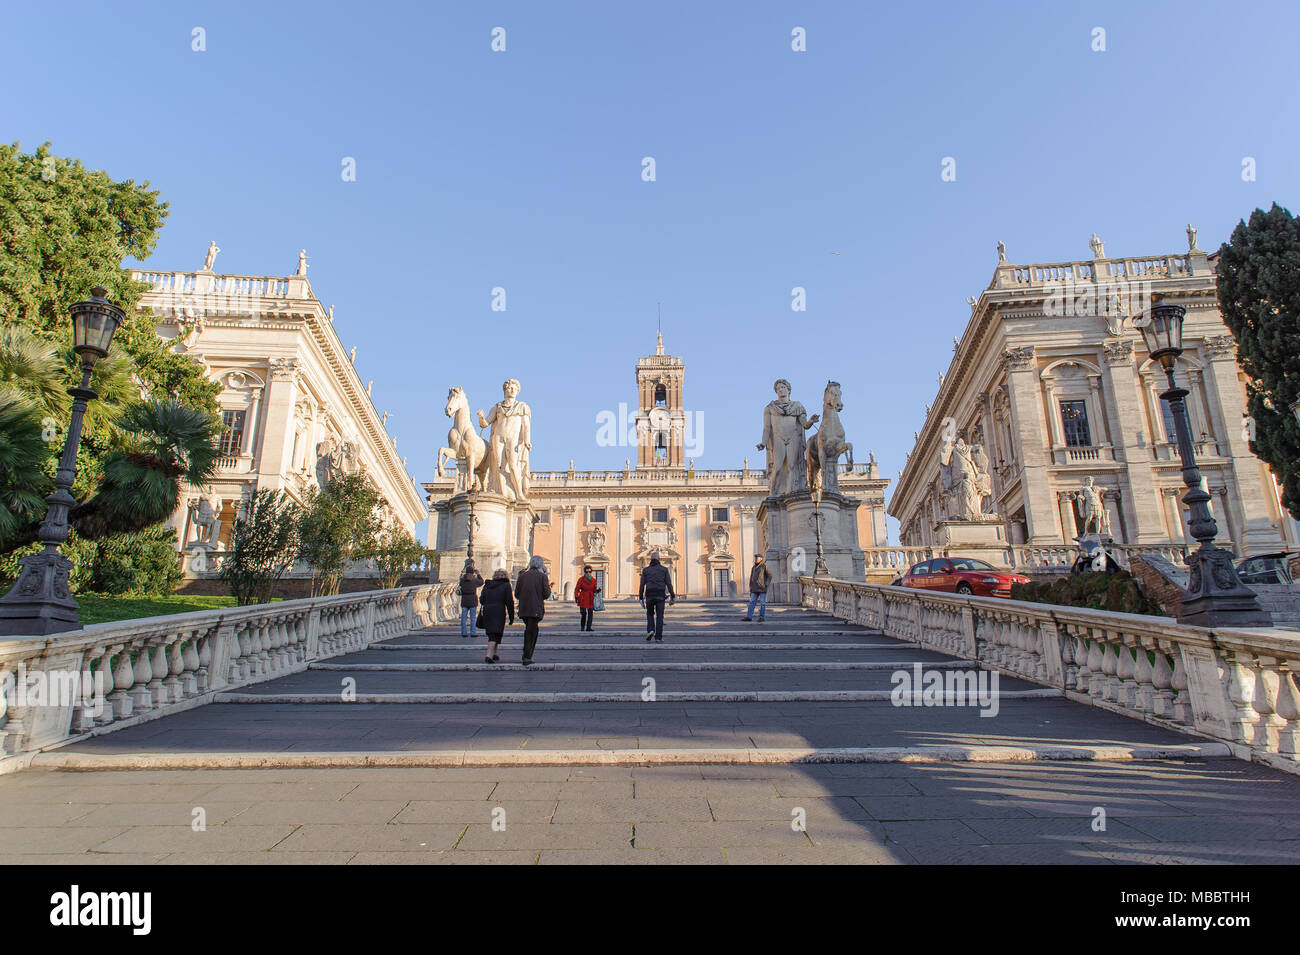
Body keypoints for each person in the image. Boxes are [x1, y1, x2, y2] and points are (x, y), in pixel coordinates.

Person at [514, 555, 552, 666]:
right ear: (540, 565)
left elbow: (516, 593)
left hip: (524, 608)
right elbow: (547, 593)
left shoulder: (522, 576)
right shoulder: (542, 577)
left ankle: (526, 654)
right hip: (535, 608)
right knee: (532, 631)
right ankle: (527, 656)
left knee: (529, 629)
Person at [478, 568, 514, 663]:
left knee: (494, 632)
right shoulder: (506, 586)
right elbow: (509, 601)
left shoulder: (487, 585)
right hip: (499, 611)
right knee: (495, 633)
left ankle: (495, 653)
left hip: (487, 611)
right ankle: (489, 655)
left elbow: (482, 600)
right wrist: (511, 616)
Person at [638, 552, 675, 642]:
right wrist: (672, 596)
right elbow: (669, 584)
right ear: (659, 559)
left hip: (649, 595)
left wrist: (640, 598)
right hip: (660, 596)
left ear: (651, 559)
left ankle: (651, 630)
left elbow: (642, 585)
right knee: (660, 617)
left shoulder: (646, 570)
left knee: (650, 614)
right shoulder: (664, 570)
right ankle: (658, 637)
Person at [458, 560, 484, 637]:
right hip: (472, 599)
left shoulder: (462, 580)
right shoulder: (474, 580)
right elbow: (482, 582)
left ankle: (464, 632)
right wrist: (478, 574)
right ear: (473, 572)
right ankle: (473, 633)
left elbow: (460, 584)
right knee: (473, 618)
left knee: (463, 618)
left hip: (464, 599)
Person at [743, 554, 772, 622]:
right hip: (754, 588)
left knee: (762, 603)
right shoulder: (753, 568)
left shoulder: (764, 566)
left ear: (761, 559)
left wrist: (766, 584)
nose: (756, 559)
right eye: (755, 558)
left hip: (762, 588)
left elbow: (769, 575)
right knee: (751, 602)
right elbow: (751, 578)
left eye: (757, 558)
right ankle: (749, 617)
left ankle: (761, 617)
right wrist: (750, 587)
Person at [574, 565, 600, 632]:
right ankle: (582, 627)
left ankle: (589, 627)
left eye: (590, 571)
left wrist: (597, 591)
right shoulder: (581, 579)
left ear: (591, 572)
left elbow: (594, 589)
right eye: (587, 571)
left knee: (590, 613)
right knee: (583, 614)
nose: (588, 573)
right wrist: (576, 596)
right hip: (583, 597)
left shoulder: (594, 580)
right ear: (584, 572)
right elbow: (577, 589)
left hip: (590, 598)